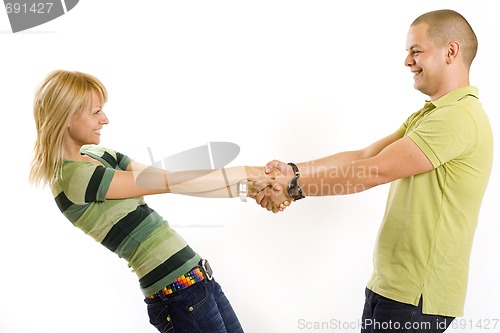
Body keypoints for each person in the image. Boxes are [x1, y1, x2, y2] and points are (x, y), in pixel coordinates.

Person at [251, 9, 493, 333]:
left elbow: (373, 171)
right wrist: (293, 170)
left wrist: (294, 187)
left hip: (416, 297)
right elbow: (364, 155)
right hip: (394, 287)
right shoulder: (432, 114)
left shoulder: (458, 118)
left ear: (451, 51)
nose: (408, 61)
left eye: (416, 51)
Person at [28, 69, 274, 333]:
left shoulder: (98, 154)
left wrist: (246, 188)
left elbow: (173, 180)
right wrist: (248, 172)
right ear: (66, 115)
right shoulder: (74, 177)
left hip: (198, 281)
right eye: (96, 111)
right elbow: (171, 183)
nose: (105, 119)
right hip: (179, 297)